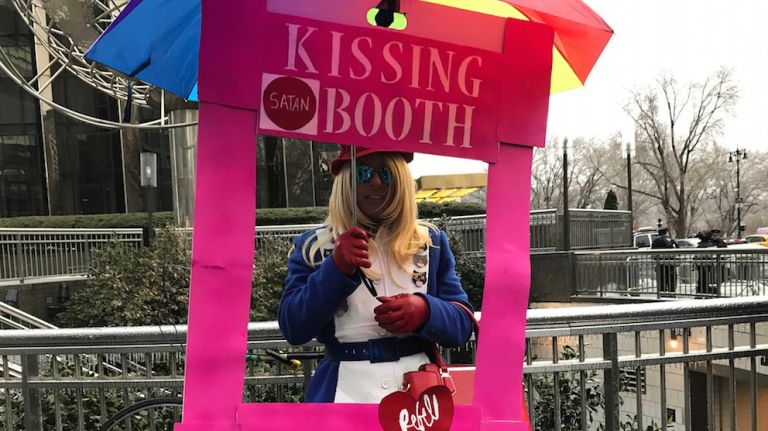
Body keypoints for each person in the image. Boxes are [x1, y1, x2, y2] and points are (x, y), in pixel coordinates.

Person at [278, 145, 474, 403]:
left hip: (420, 395)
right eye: (363, 173)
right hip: (342, 395)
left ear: (402, 179)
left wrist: (426, 311)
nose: (376, 182)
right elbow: (294, 327)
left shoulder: (431, 242)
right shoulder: (314, 247)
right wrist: (335, 269)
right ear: (346, 181)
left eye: (387, 173)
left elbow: (462, 324)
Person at [694, 230, 727, 296]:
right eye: (713, 235)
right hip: (708, 265)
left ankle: (704, 291)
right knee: (704, 278)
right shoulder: (709, 244)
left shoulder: (717, 243)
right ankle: (705, 291)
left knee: (705, 278)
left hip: (709, 265)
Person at [651, 225, 677, 294]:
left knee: (661, 282)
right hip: (669, 265)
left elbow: (653, 255)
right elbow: (674, 250)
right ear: (666, 232)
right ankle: (672, 295)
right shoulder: (668, 240)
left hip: (660, 265)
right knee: (671, 282)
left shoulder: (655, 241)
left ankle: (662, 295)